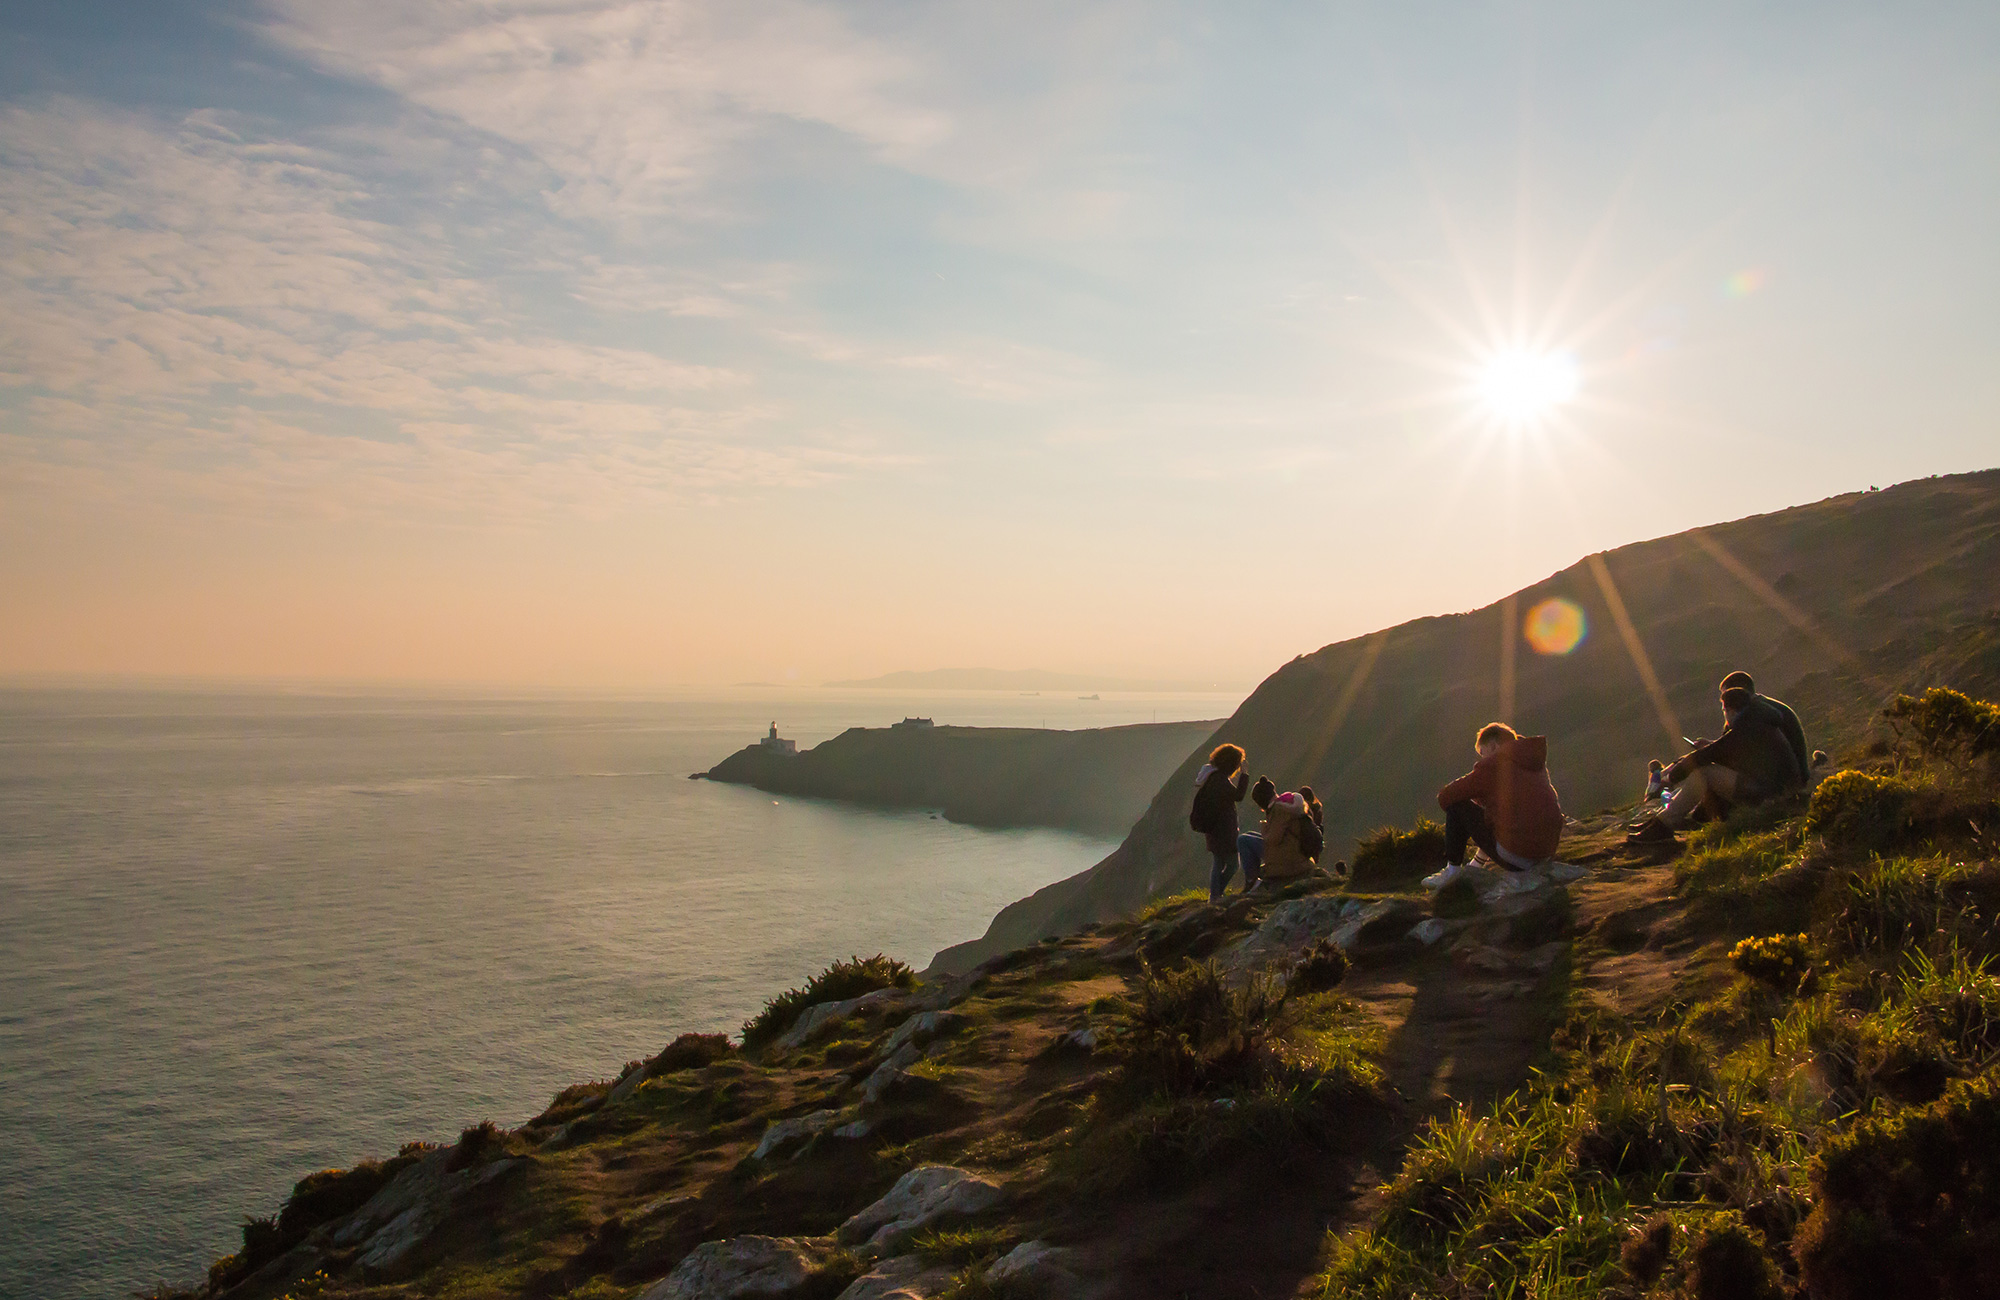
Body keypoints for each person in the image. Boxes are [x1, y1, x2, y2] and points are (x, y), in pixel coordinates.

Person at [1628, 680, 1807, 843]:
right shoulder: (1757, 720)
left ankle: (1663, 825)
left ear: (1730, 709)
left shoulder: (1749, 727)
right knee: (1708, 771)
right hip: (1773, 786)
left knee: (1705, 773)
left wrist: (1672, 777)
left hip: (1772, 794)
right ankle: (1661, 821)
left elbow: (1708, 755)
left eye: (1724, 710)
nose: (1724, 715)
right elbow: (1726, 751)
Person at [1423, 723, 1565, 890]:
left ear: (1493, 746)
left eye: (1483, 753)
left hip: (1519, 858)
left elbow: (1446, 796)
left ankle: (1452, 871)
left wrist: (1479, 799)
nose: (1482, 759)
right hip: (1545, 853)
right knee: (1497, 814)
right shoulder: (1533, 762)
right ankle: (1477, 864)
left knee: (1457, 806)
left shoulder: (1494, 765)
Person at [1189, 744, 1250, 902]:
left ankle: (1215, 895)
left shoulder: (1211, 777)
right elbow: (1238, 795)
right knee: (1231, 865)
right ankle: (1216, 896)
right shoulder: (1219, 779)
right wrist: (1245, 775)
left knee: (1219, 861)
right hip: (1223, 829)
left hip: (1214, 828)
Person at [1254, 790, 1322, 885]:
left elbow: (1273, 839)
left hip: (1289, 863)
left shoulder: (1283, 812)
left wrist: (1264, 828)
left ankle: (1251, 882)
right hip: (1305, 861)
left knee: (1244, 841)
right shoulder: (1304, 814)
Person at [1234, 777, 1278, 891]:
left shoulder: (1278, 811)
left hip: (1283, 854)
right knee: (1249, 835)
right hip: (1289, 849)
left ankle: (1252, 881)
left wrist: (1265, 830)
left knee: (1242, 840)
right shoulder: (1283, 805)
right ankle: (1253, 879)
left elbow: (1274, 840)